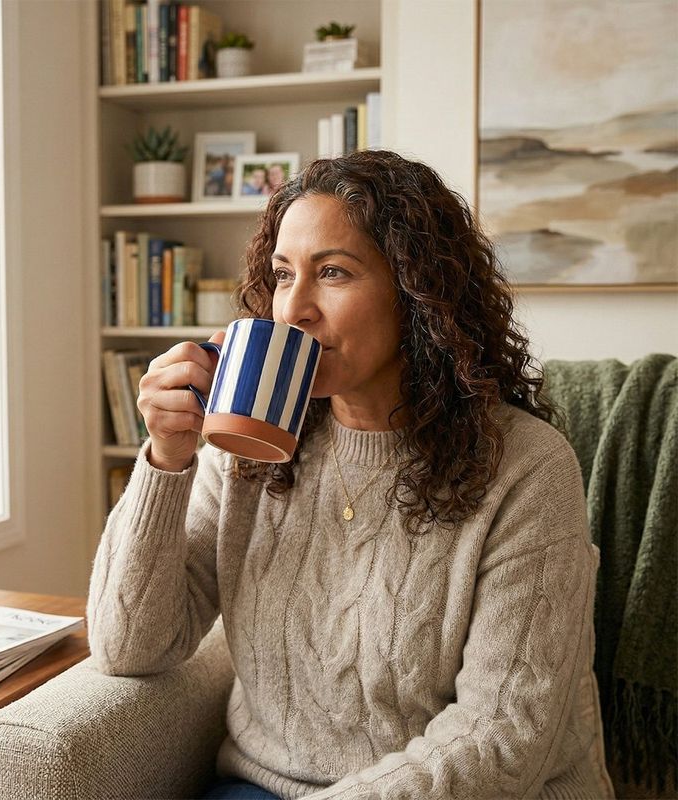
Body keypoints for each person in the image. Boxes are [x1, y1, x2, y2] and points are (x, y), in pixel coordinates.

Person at [88, 150, 614, 800]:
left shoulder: (526, 467)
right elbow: (130, 648)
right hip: (267, 786)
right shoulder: (248, 444)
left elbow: (501, 738)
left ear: (417, 290)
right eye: (283, 275)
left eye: (333, 272)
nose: (295, 309)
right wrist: (167, 458)